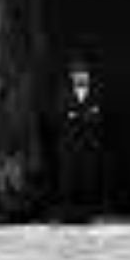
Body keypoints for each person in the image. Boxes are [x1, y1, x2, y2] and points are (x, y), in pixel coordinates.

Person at [57, 60, 104, 222]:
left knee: (88, 178)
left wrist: (77, 115)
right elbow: (61, 114)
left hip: (88, 144)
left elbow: (98, 115)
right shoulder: (64, 93)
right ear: (72, 77)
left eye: (84, 75)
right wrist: (83, 115)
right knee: (68, 179)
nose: (81, 78)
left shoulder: (95, 93)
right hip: (69, 144)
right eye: (77, 75)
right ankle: (67, 213)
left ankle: (87, 213)